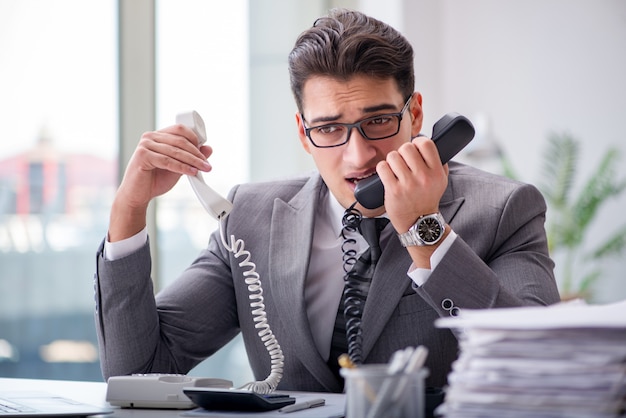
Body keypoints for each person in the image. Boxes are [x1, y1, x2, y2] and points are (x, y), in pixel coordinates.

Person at [94, 8, 560, 394]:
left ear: (415, 114)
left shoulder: (504, 210)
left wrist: (425, 233)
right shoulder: (249, 220)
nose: (358, 156)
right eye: (329, 128)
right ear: (303, 133)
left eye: (378, 122)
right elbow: (136, 371)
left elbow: (540, 369)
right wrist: (128, 212)